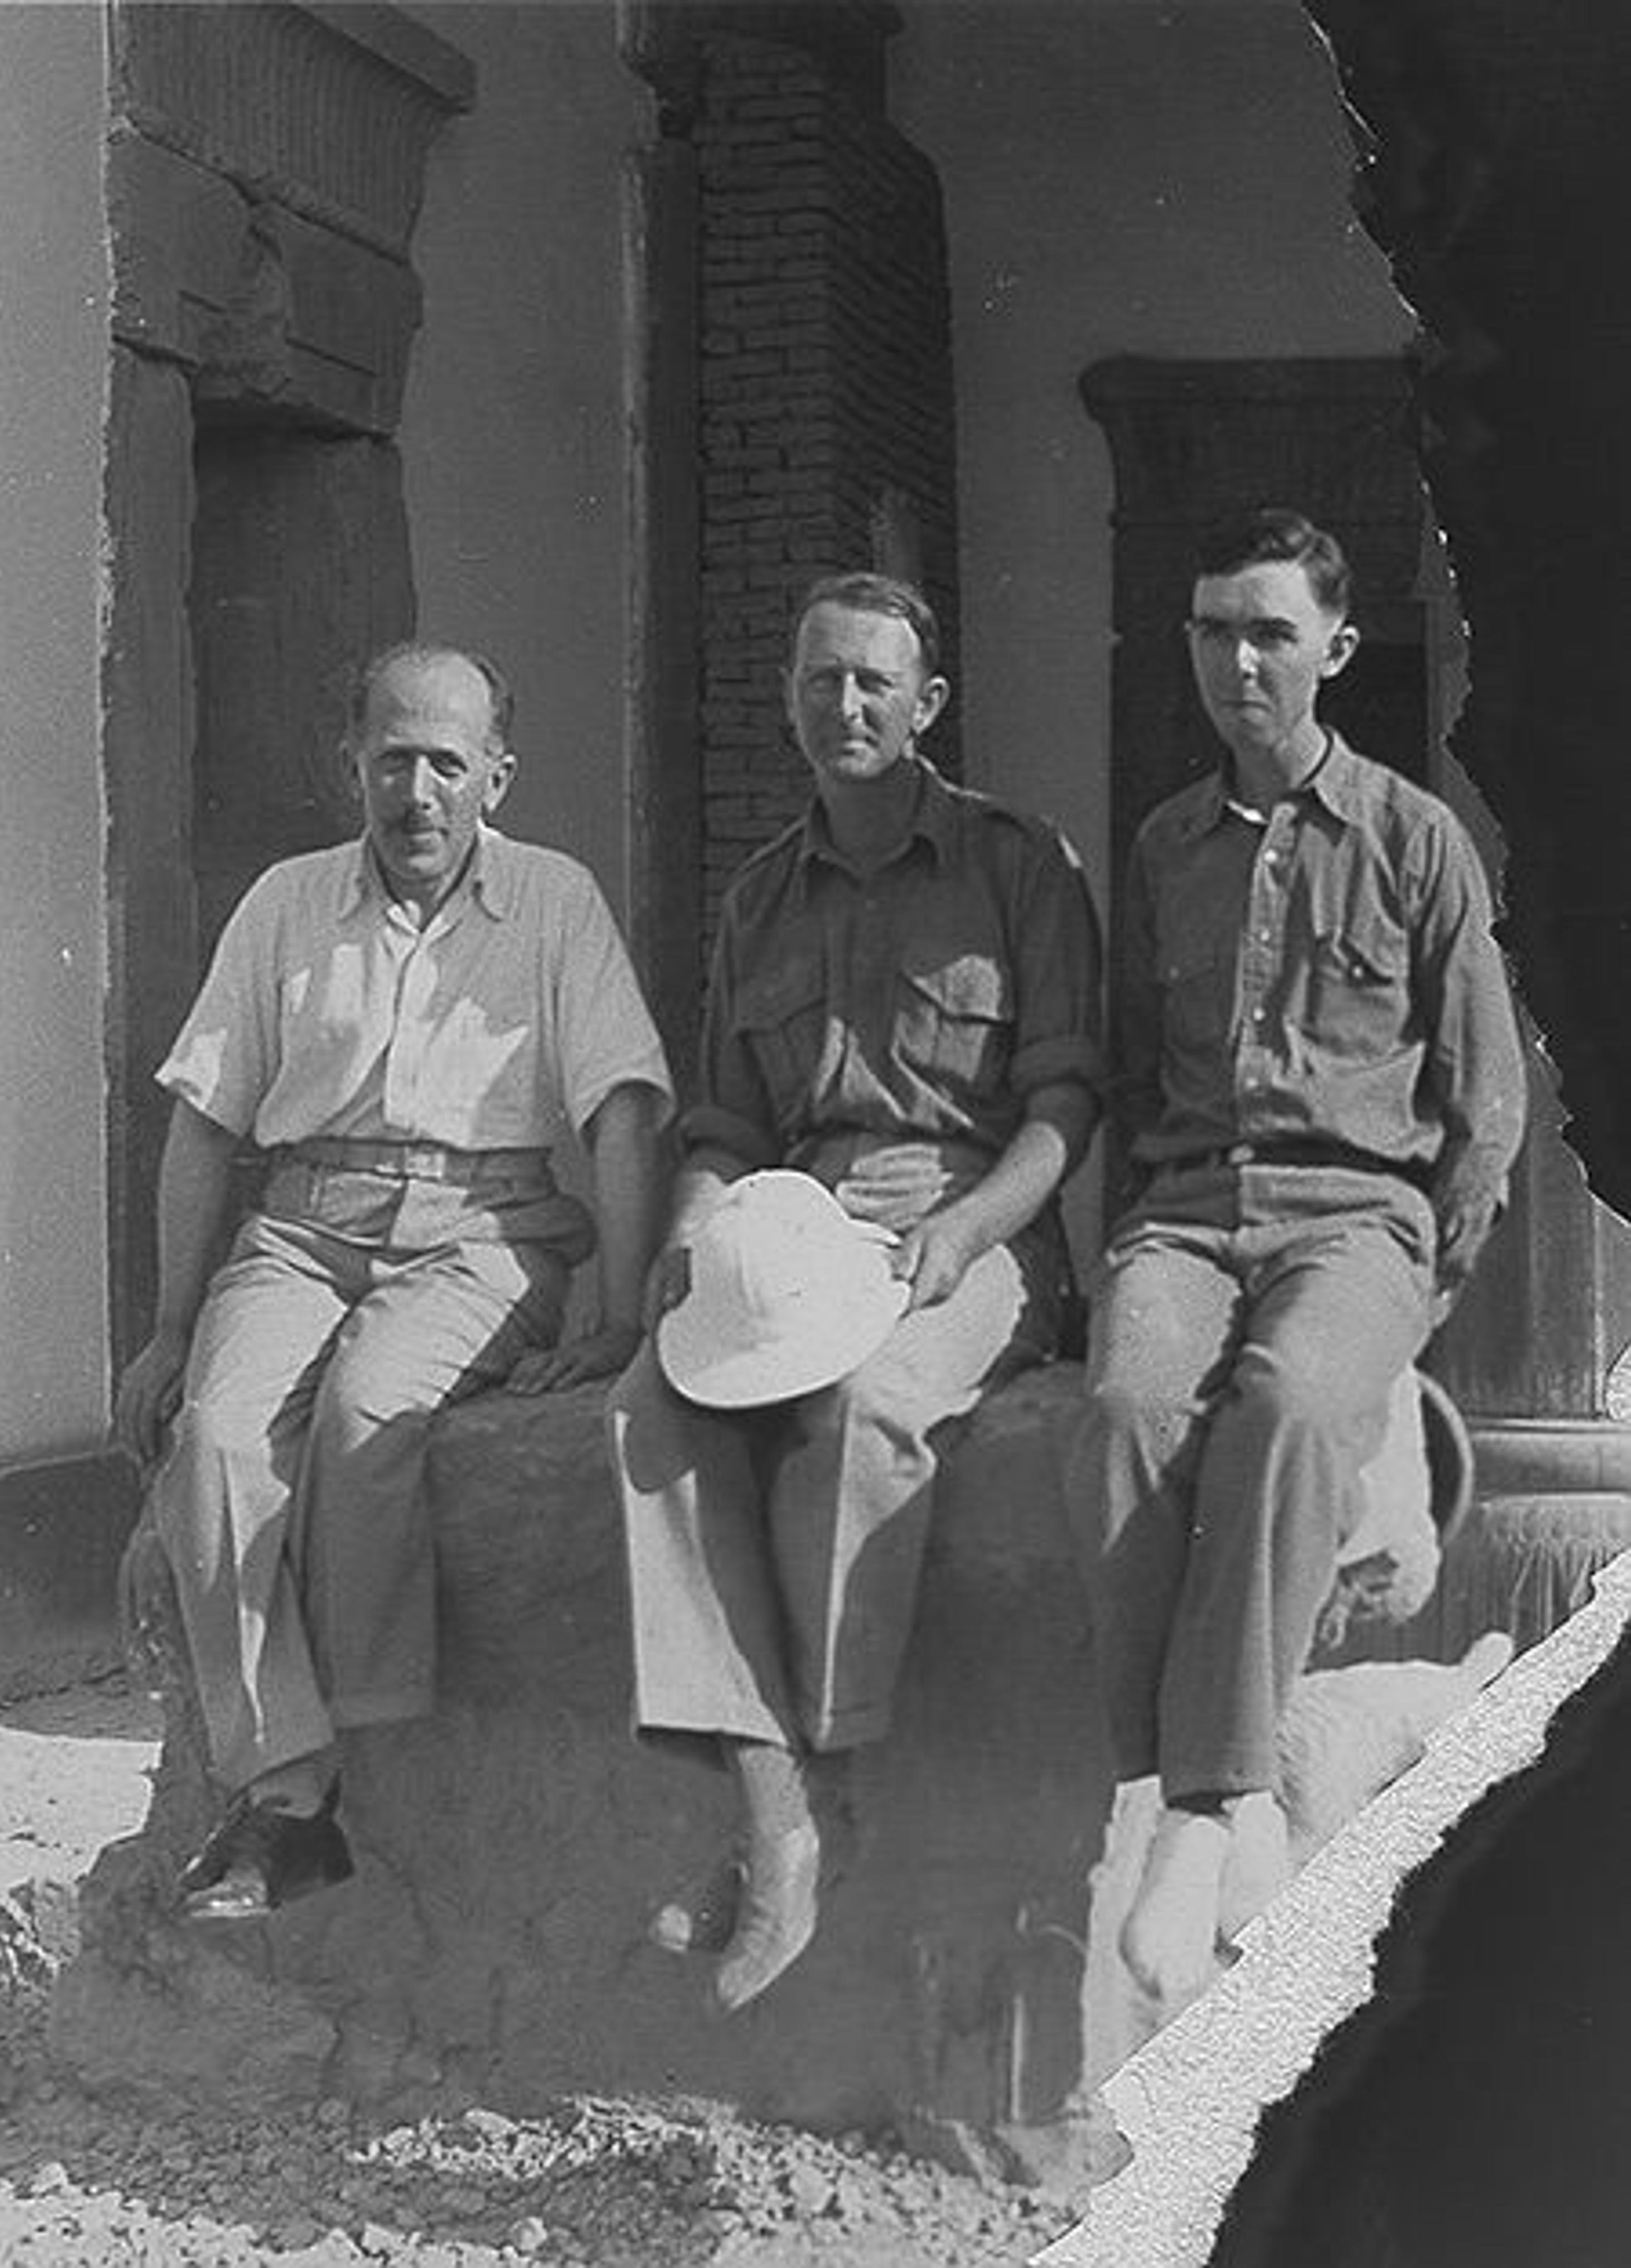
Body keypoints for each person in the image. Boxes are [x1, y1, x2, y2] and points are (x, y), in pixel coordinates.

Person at [609, 571, 1104, 2012]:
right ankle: (778, 1810)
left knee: (860, 1411)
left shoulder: (1017, 866)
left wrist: (966, 1233)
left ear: (927, 704)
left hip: (974, 1220)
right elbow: (724, 1124)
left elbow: (1068, 1102)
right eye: (822, 680)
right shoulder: (759, 897)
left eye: (876, 683)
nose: (847, 708)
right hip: (794, 1224)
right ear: (790, 698)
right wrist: (693, 1235)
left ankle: (817, 1791)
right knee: (651, 1414)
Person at [115, 641, 672, 1920]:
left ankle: (378, 1757)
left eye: (448, 764)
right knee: (212, 1436)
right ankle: (291, 1792)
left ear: (498, 777)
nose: (418, 792)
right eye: (394, 759)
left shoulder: (555, 902)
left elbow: (627, 1113)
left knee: (372, 1413)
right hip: (305, 1222)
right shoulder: (286, 904)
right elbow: (206, 1121)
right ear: (351, 764)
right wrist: (167, 1324)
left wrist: (626, 1313)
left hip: (484, 1231)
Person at [1070, 508, 1527, 2009]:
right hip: (1192, 1206)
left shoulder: (1414, 836)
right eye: (1214, 629)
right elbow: (1134, 1076)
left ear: (1334, 649)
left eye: (1271, 631)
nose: (1239, 661)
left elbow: (1484, 1102)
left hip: (1359, 1217)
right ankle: (1224, 1798)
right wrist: (1131, 1238)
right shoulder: (1163, 846)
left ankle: (1204, 1805)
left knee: (1283, 1403)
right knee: (1127, 1408)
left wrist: (1424, 1287)